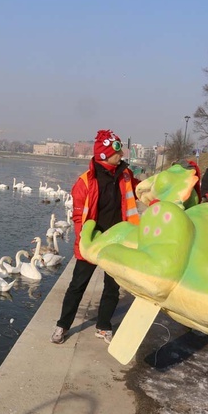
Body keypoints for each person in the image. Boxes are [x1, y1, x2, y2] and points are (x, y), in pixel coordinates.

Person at [50, 129, 140, 345]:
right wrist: (84, 242)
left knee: (112, 286)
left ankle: (103, 326)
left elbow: (142, 192)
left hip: (118, 241)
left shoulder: (126, 175)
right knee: (77, 285)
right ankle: (62, 325)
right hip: (94, 241)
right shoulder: (85, 181)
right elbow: (79, 216)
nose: (121, 154)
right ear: (104, 154)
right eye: (117, 150)